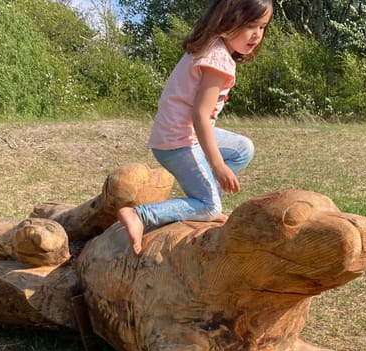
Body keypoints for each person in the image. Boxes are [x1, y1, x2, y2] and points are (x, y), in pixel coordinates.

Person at [117, 0, 273, 256]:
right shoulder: (218, 60)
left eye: (263, 27)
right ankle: (140, 214)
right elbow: (200, 116)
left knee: (242, 149)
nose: (257, 34)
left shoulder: (212, 49)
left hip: (179, 135)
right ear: (227, 20)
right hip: (178, 141)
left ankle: (203, 199)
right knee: (210, 208)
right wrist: (218, 166)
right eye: (250, 25)